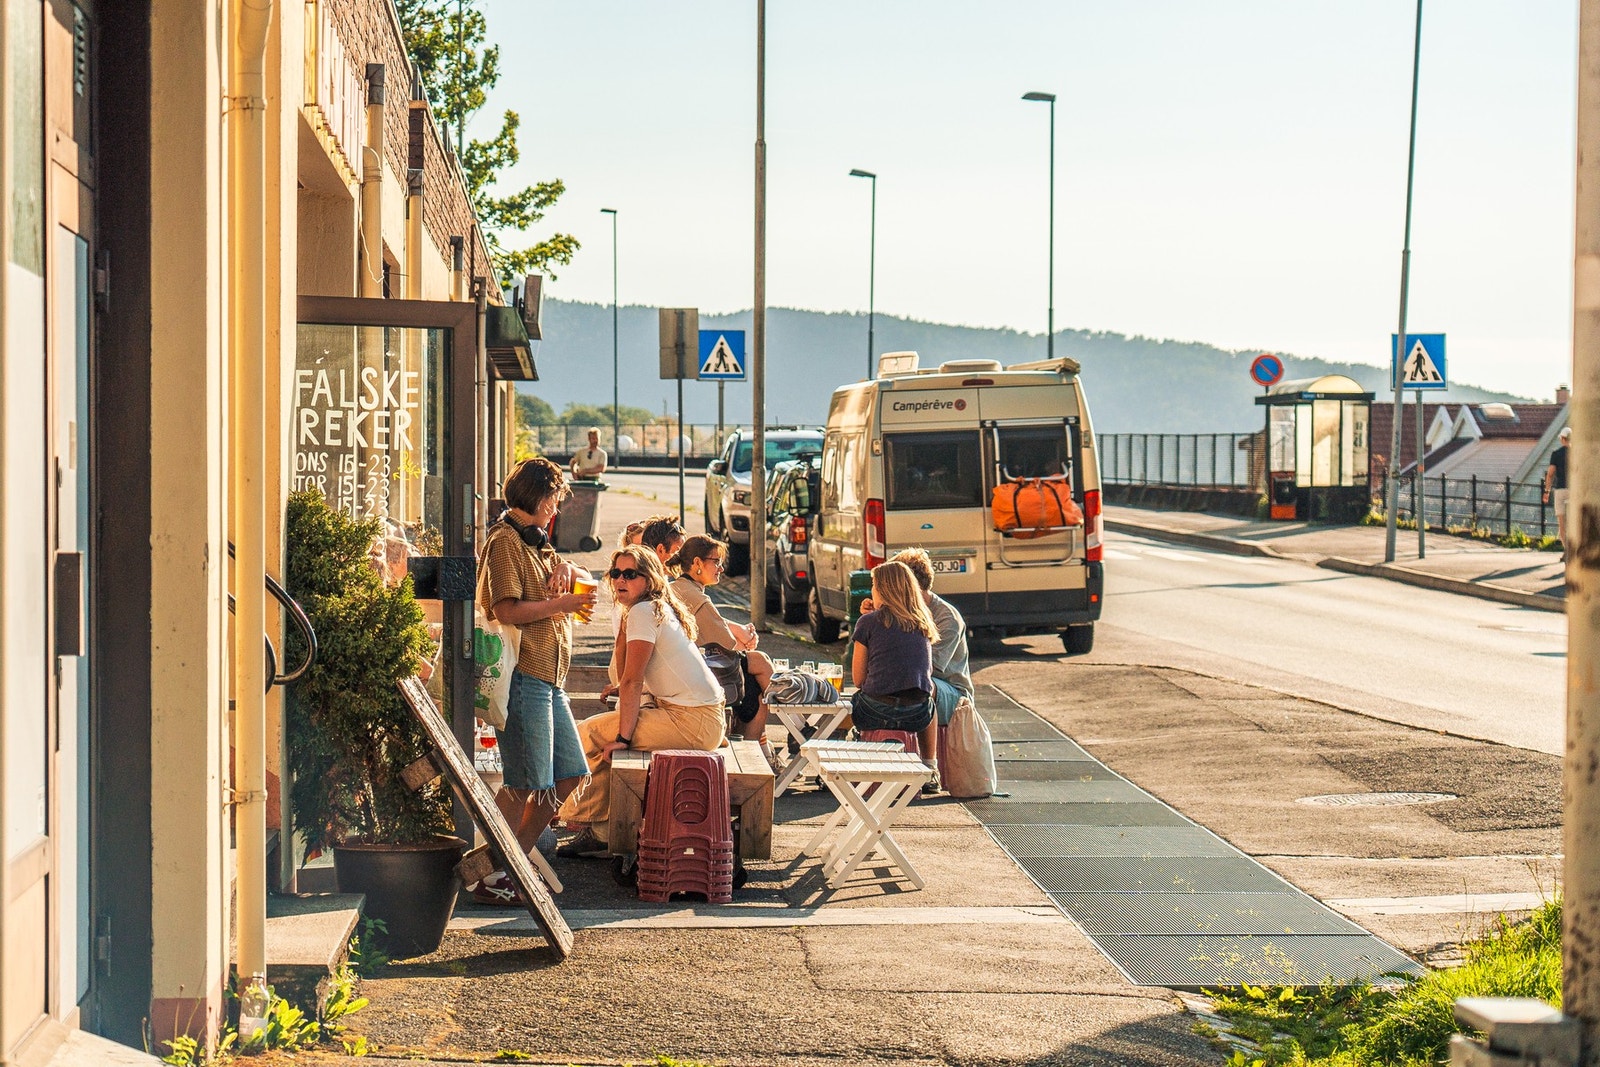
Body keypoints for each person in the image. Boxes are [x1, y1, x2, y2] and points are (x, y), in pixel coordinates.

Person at [474, 457, 598, 902]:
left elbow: (579, 576)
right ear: (543, 498)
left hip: (549, 679)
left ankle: (513, 862)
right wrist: (561, 605)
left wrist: (569, 570)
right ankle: (490, 875)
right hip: (525, 677)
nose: (557, 509)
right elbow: (504, 609)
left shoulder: (535, 542)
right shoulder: (505, 541)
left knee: (568, 774)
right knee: (524, 781)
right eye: (556, 500)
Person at [557, 545, 726, 858]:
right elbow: (627, 676)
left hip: (692, 722)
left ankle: (563, 815)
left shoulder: (643, 612)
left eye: (630, 574)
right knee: (604, 741)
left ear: (648, 580)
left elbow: (634, 680)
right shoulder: (646, 608)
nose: (621, 580)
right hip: (700, 718)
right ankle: (600, 829)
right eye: (616, 573)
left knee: (588, 734)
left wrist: (623, 737)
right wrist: (622, 688)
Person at [670, 536, 778, 754]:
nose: (721, 568)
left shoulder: (678, 588)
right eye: (716, 562)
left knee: (756, 681)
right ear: (698, 563)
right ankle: (793, 723)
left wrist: (743, 640)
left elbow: (719, 636)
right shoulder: (696, 598)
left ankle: (766, 745)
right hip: (698, 675)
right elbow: (726, 644)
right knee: (760, 669)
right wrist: (745, 641)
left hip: (692, 671)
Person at [850, 560, 939, 778]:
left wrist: (867, 618)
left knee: (846, 706)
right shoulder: (923, 622)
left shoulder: (867, 623)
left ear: (882, 588)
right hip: (917, 715)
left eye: (873, 584)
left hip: (874, 711)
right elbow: (924, 675)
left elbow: (858, 679)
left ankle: (834, 762)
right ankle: (930, 766)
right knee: (931, 692)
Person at [891, 548, 974, 728]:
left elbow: (928, 668)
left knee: (919, 683)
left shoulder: (947, 618)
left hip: (952, 692)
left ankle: (928, 754)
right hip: (912, 679)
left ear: (911, 587)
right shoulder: (899, 611)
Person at [1544, 426, 1572, 560]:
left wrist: (1546, 491)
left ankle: (1567, 551)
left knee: (1562, 523)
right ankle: (1575, 551)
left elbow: (1550, 474)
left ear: (1562, 439)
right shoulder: (1577, 453)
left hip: (1560, 490)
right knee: (1575, 522)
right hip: (1575, 491)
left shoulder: (1556, 453)